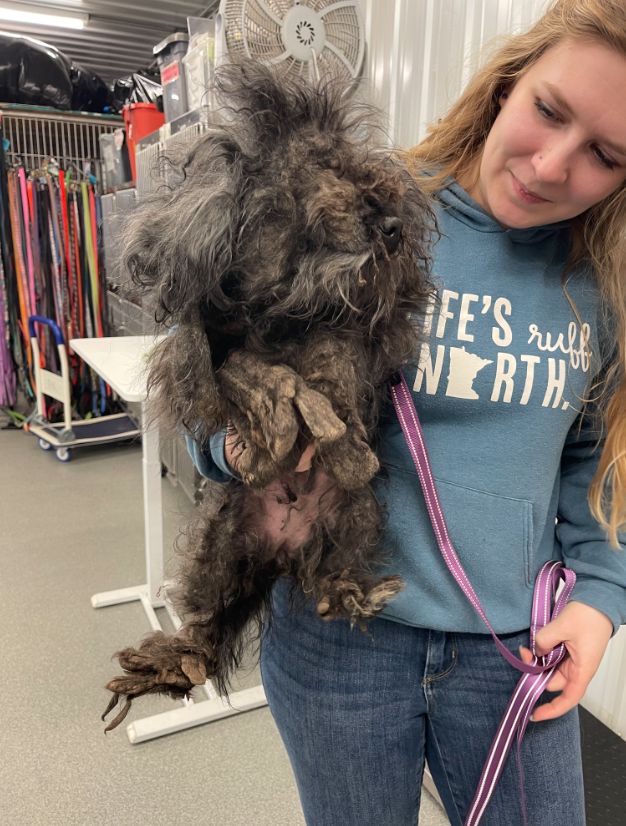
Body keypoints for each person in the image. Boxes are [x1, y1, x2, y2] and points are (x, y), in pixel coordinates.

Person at [186, 1, 626, 823]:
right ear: (505, 86)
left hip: (513, 652)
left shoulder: (603, 285)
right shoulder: (353, 214)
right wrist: (248, 446)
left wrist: (599, 600)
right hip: (338, 642)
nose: (554, 164)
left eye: (605, 154)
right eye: (549, 111)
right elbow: (209, 392)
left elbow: (596, 456)